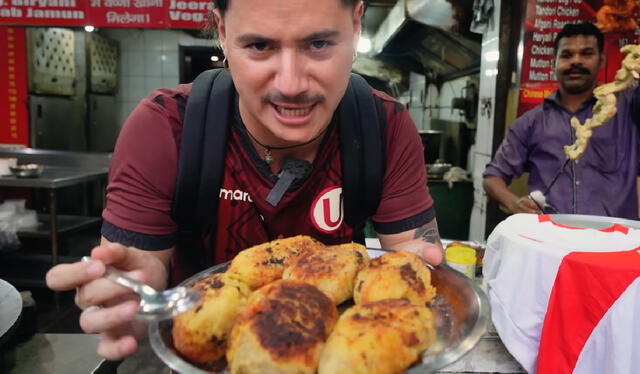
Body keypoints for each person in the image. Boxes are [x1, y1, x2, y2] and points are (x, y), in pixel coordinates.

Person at [45, 0, 444, 360]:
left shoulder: (384, 126)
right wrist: (135, 299)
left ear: (356, 24)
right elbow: (136, 272)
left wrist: (424, 266)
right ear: (221, 30)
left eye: (319, 43)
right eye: (259, 46)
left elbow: (412, 257)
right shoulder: (166, 128)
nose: (291, 84)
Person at [483, 22, 640, 218]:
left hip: (615, 241)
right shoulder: (531, 122)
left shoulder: (628, 108)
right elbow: (492, 177)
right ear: (553, 63)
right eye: (566, 55)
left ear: (601, 60)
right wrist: (514, 203)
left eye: (586, 53)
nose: (576, 61)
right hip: (550, 239)